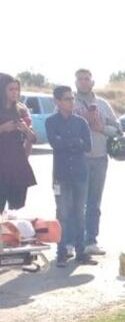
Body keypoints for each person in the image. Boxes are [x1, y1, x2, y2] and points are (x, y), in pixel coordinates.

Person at [72, 68, 120, 256]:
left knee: (94, 202)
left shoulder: (102, 104)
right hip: (77, 159)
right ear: (75, 82)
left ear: (92, 82)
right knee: (76, 202)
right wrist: (82, 121)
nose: (83, 82)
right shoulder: (70, 102)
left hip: (99, 158)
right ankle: (72, 242)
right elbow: (60, 125)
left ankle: (91, 240)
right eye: (80, 79)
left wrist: (101, 128)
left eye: (86, 79)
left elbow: (117, 129)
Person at [45, 86, 94, 267]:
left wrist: (69, 142)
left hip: (80, 174)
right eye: (67, 99)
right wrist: (74, 142)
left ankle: (81, 251)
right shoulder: (51, 122)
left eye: (72, 98)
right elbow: (55, 143)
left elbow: (87, 145)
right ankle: (62, 251)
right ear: (57, 102)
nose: (71, 102)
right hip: (62, 175)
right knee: (63, 214)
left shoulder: (81, 122)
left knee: (79, 213)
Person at [0, 73, 37, 213]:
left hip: (17, 166)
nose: (15, 92)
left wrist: (26, 130)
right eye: (11, 89)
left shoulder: (21, 110)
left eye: (17, 89)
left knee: (16, 213)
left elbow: (33, 138)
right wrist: (3, 128)